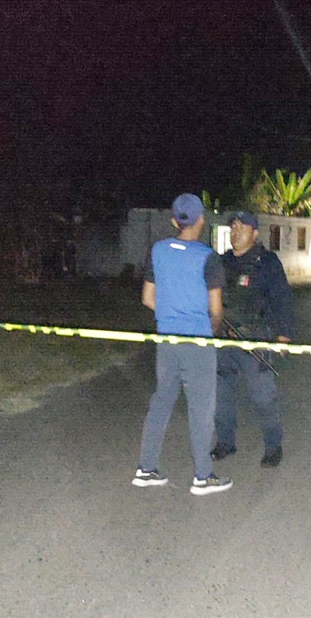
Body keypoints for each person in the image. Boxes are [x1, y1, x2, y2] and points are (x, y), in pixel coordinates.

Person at [133, 193, 233, 496]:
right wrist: (211, 329)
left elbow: (148, 298)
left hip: (167, 342)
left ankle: (146, 469)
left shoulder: (158, 251)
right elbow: (216, 309)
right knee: (201, 408)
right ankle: (203, 476)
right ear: (201, 220)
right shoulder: (207, 257)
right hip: (198, 342)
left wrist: (170, 315)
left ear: (175, 221)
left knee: (161, 402)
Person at [210, 211, 294, 469]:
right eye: (233, 227)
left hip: (255, 340)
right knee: (221, 396)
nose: (235, 232)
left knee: (263, 397)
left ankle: (273, 446)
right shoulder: (221, 261)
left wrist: (283, 334)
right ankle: (225, 442)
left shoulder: (267, 262)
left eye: (242, 227)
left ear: (255, 233)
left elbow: (282, 298)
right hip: (223, 340)